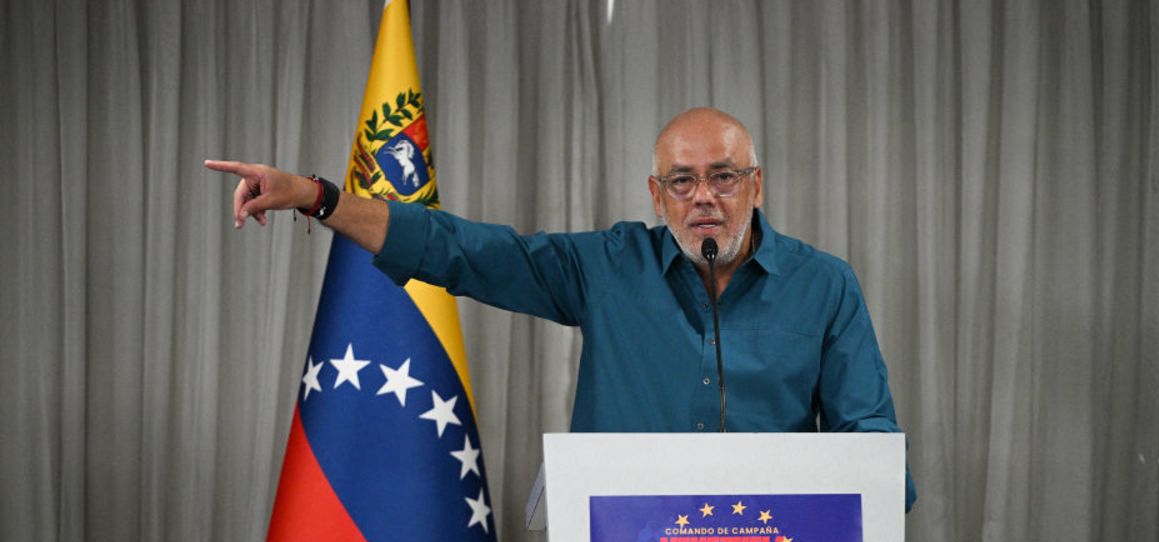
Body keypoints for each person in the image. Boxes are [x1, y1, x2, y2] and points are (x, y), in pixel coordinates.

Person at [206, 107, 916, 510]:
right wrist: (318, 197)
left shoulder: (825, 285)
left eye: (724, 177)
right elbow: (463, 252)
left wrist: (869, 496)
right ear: (656, 194)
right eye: (683, 180)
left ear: (756, 186)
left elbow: (870, 438)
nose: (705, 196)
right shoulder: (606, 268)